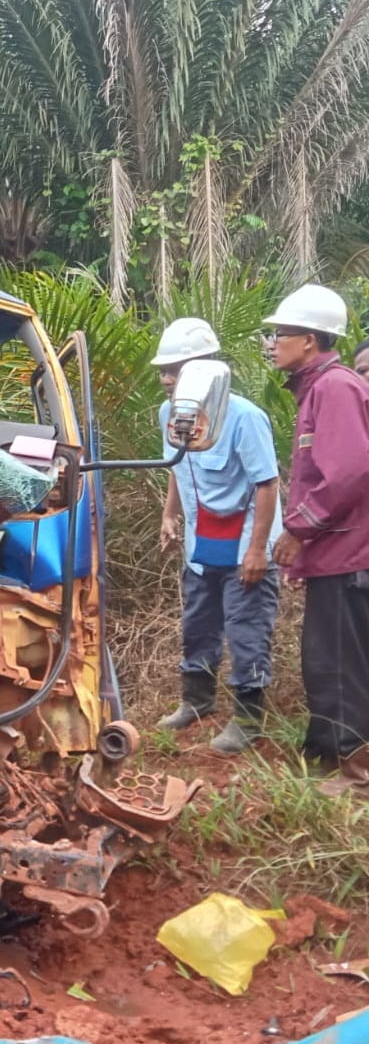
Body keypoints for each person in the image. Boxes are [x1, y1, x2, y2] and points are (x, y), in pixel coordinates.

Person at [154, 317, 283, 754]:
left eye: (175, 369)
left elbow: (267, 483)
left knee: (246, 629)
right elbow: (178, 467)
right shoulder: (170, 414)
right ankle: (197, 701)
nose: (165, 379)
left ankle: (247, 719)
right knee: (198, 621)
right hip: (201, 543)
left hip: (244, 538)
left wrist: (256, 550)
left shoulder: (245, 417)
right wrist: (170, 516)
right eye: (164, 370)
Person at [265, 285, 369, 789]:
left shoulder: (336, 387)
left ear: (309, 340)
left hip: (347, 555)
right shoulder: (318, 388)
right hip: (334, 554)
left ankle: (355, 768)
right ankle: (326, 751)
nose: (272, 343)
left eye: (280, 333)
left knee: (341, 662)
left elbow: (347, 472)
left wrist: (297, 530)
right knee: (325, 657)